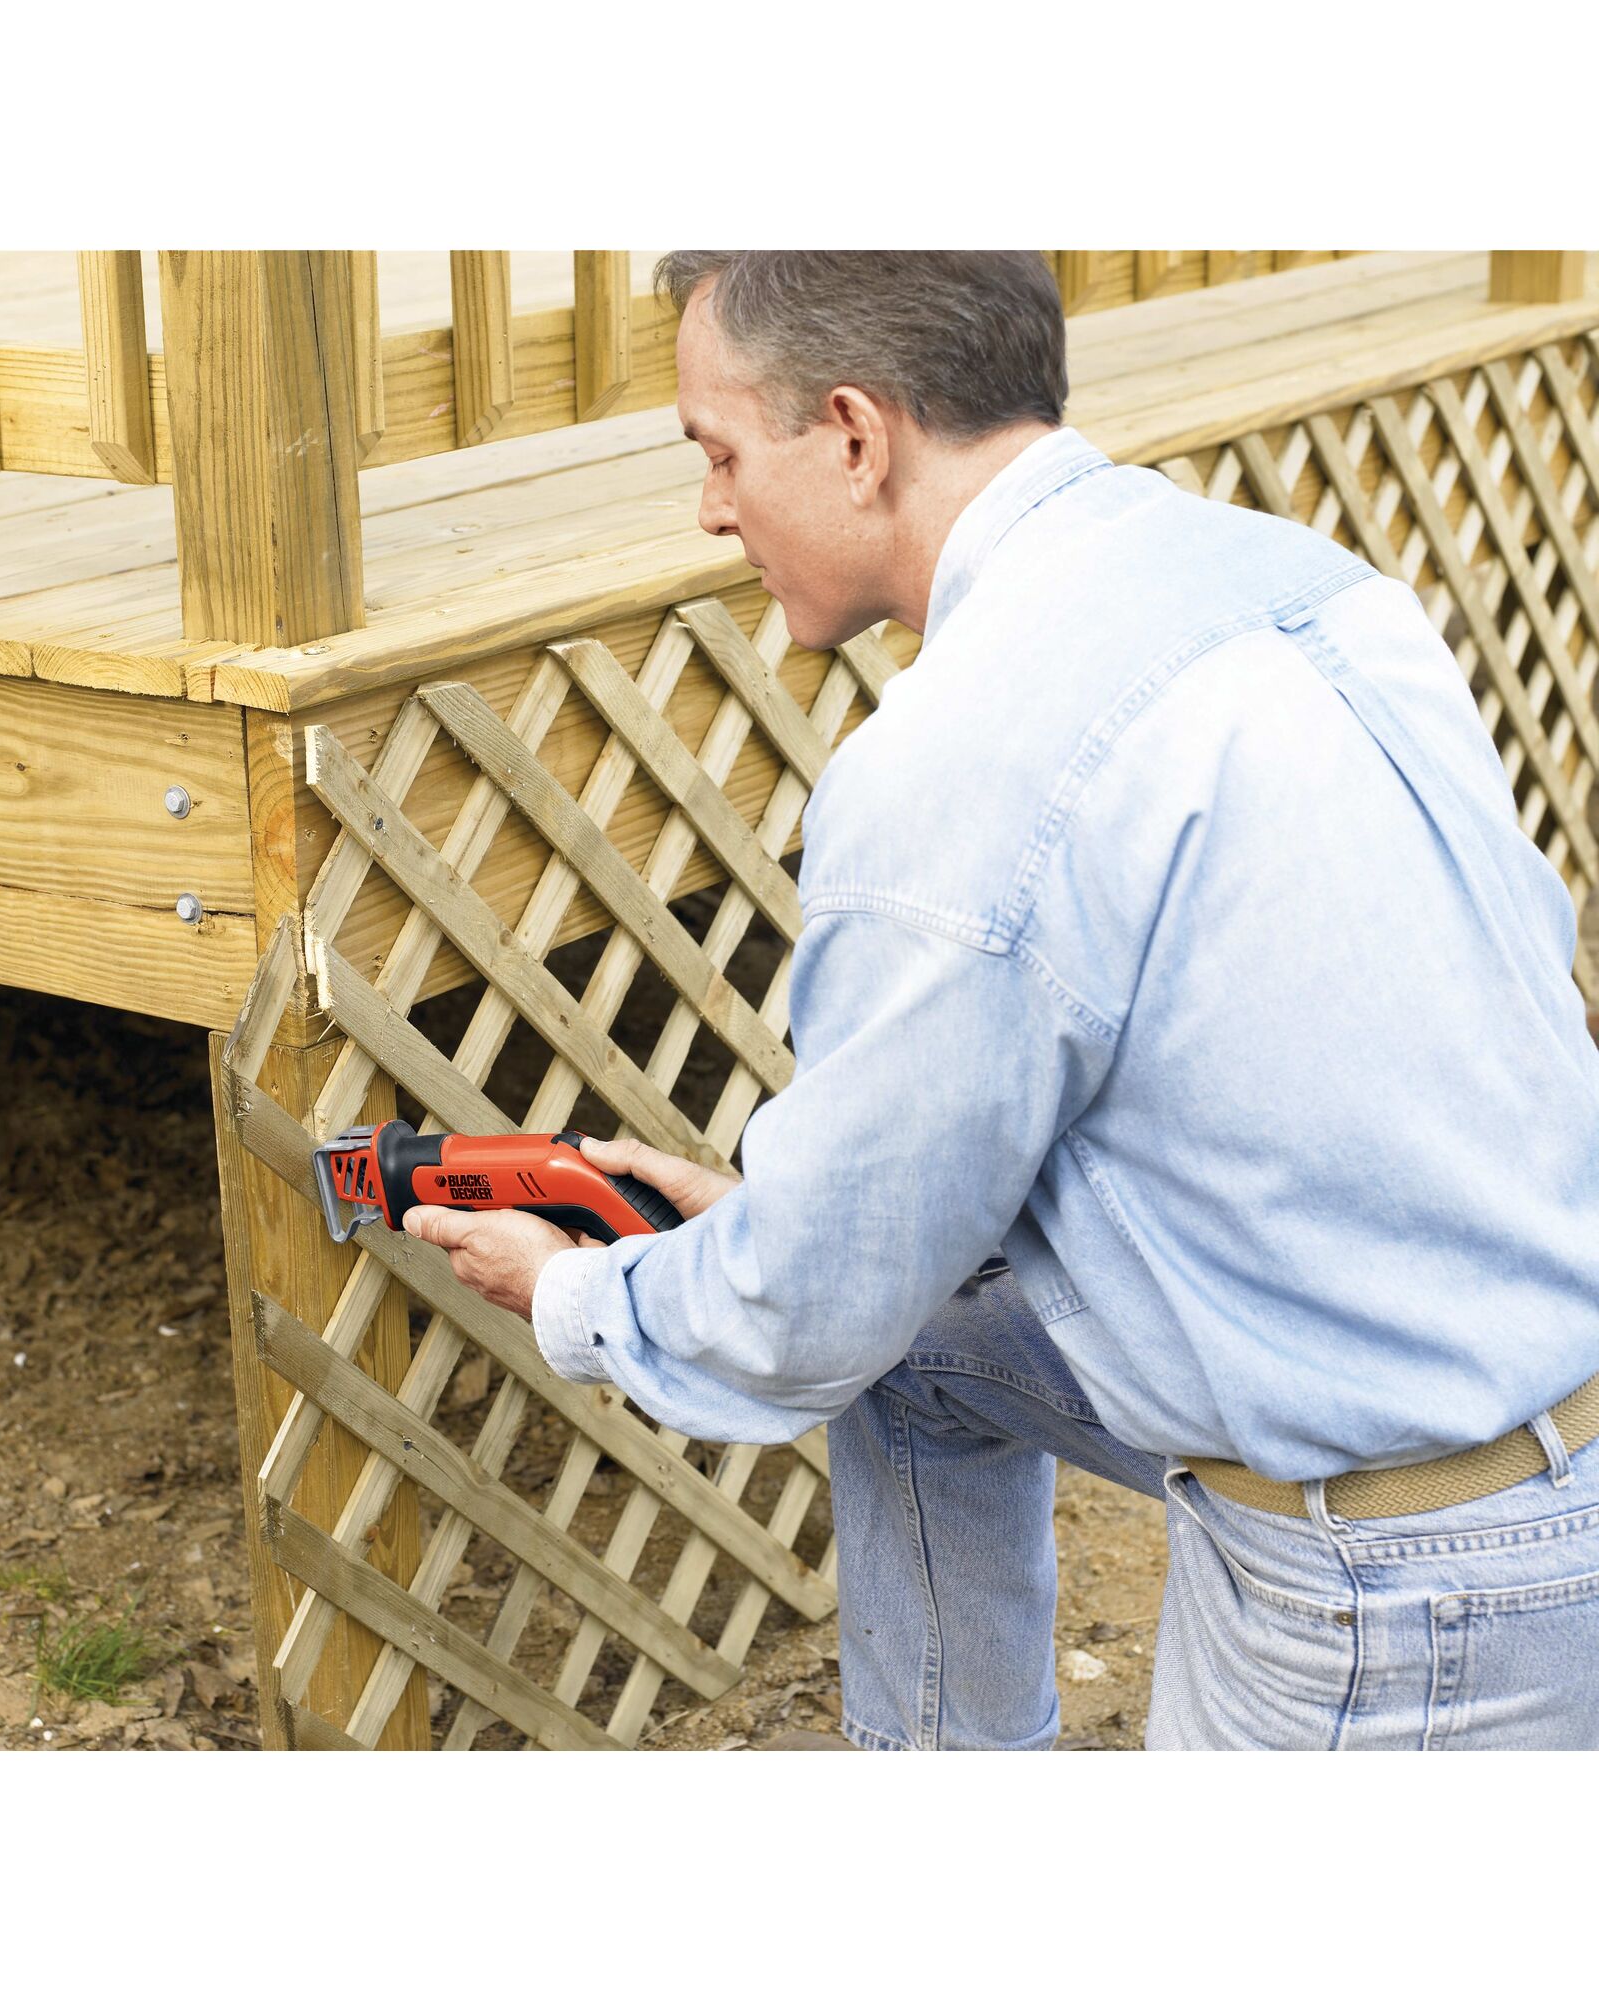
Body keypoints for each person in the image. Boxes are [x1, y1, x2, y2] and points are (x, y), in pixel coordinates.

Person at [400, 251, 1599, 1750]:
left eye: (719, 454)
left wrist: (574, 1291)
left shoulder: (966, 763)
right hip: (1527, 1388)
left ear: (854, 435)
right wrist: (797, 1231)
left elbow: (803, 1315)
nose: (709, 508)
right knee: (918, 1359)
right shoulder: (1301, 583)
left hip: (1402, 1586)